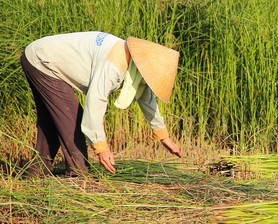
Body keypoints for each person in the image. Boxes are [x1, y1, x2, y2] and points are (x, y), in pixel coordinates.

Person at [20, 31, 183, 177]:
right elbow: (95, 102)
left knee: (55, 121)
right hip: (42, 61)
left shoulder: (134, 61)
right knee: (72, 117)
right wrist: (101, 148)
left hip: (39, 55)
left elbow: (146, 97)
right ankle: (78, 173)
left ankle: (36, 172)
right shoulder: (113, 65)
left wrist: (163, 136)